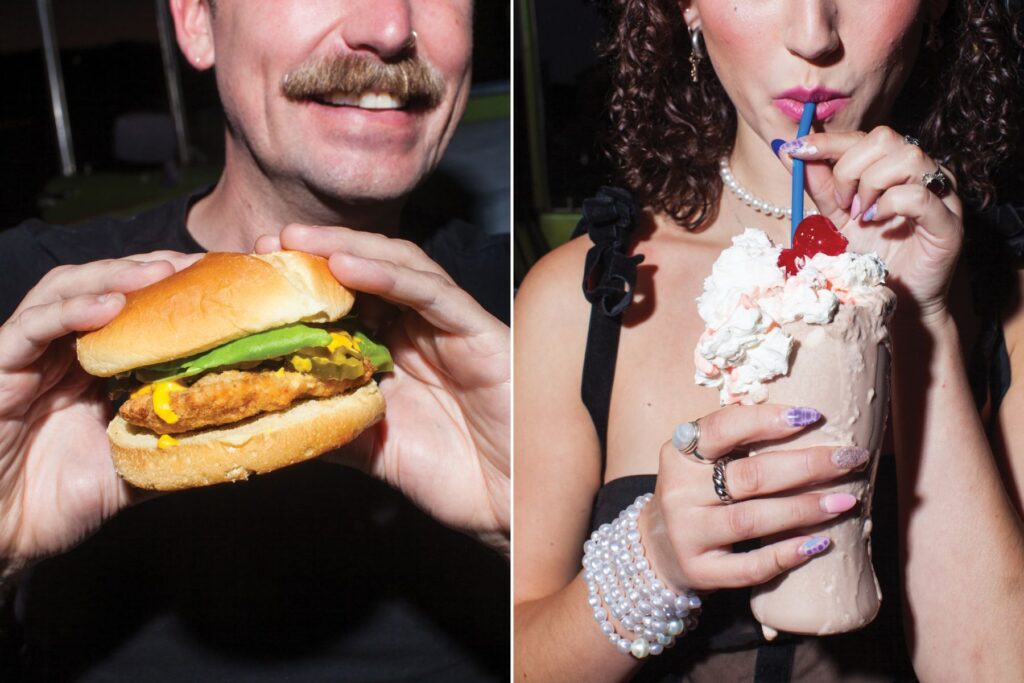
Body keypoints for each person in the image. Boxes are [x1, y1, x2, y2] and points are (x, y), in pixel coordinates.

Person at [515, 0, 1024, 681]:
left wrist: (921, 314)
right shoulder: (578, 303)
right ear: (687, 8)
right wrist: (653, 561)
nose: (813, 35)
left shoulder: (1002, 300)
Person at [0, 0, 509, 680]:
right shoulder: (24, 303)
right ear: (198, 23)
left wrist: (527, 521)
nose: (388, 28)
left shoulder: (520, 304)